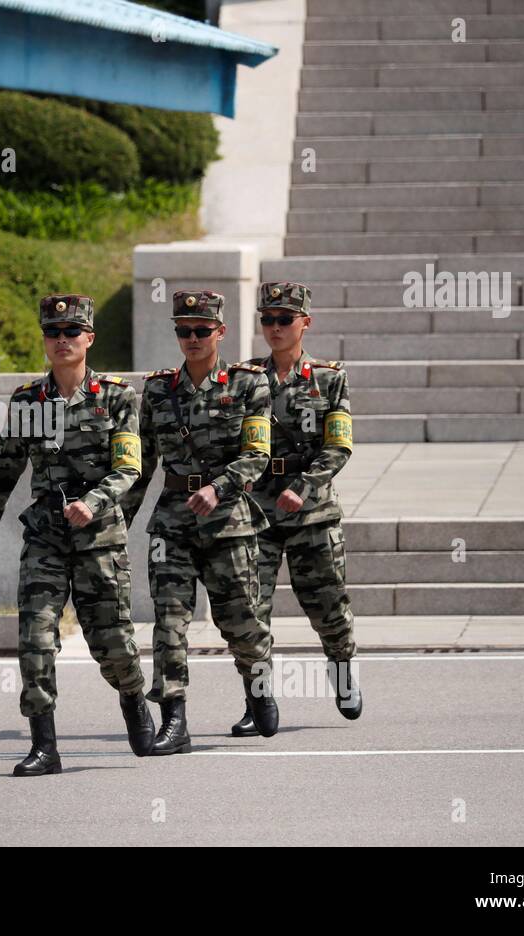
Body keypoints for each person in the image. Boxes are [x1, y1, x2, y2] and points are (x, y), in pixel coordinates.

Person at [0, 294, 156, 776]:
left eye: (72, 332)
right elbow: (1, 472)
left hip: (100, 540)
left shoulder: (116, 396)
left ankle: (133, 698)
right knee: (35, 637)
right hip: (46, 537)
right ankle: (44, 746)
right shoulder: (29, 401)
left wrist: (93, 503)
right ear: (45, 340)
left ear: (89, 337)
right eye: (53, 333)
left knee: (112, 645)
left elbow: (129, 467)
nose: (62, 341)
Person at [121, 289, 277, 754]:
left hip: (230, 522)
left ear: (220, 332)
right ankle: (175, 719)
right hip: (172, 520)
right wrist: (119, 523)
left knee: (242, 622)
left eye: (201, 330)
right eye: (183, 331)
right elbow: (141, 463)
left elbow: (257, 454)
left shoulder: (250, 385)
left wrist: (219, 487)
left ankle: (258, 687)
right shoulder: (156, 390)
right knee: (168, 620)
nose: (192, 338)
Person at [234, 281, 362, 737]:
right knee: (251, 613)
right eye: (267, 320)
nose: (274, 328)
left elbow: (339, 445)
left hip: (312, 514)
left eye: (284, 319)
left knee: (328, 606)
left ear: (305, 322)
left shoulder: (329, 378)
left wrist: (304, 488)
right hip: (258, 514)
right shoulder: (244, 377)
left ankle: (344, 675)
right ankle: (258, 702)